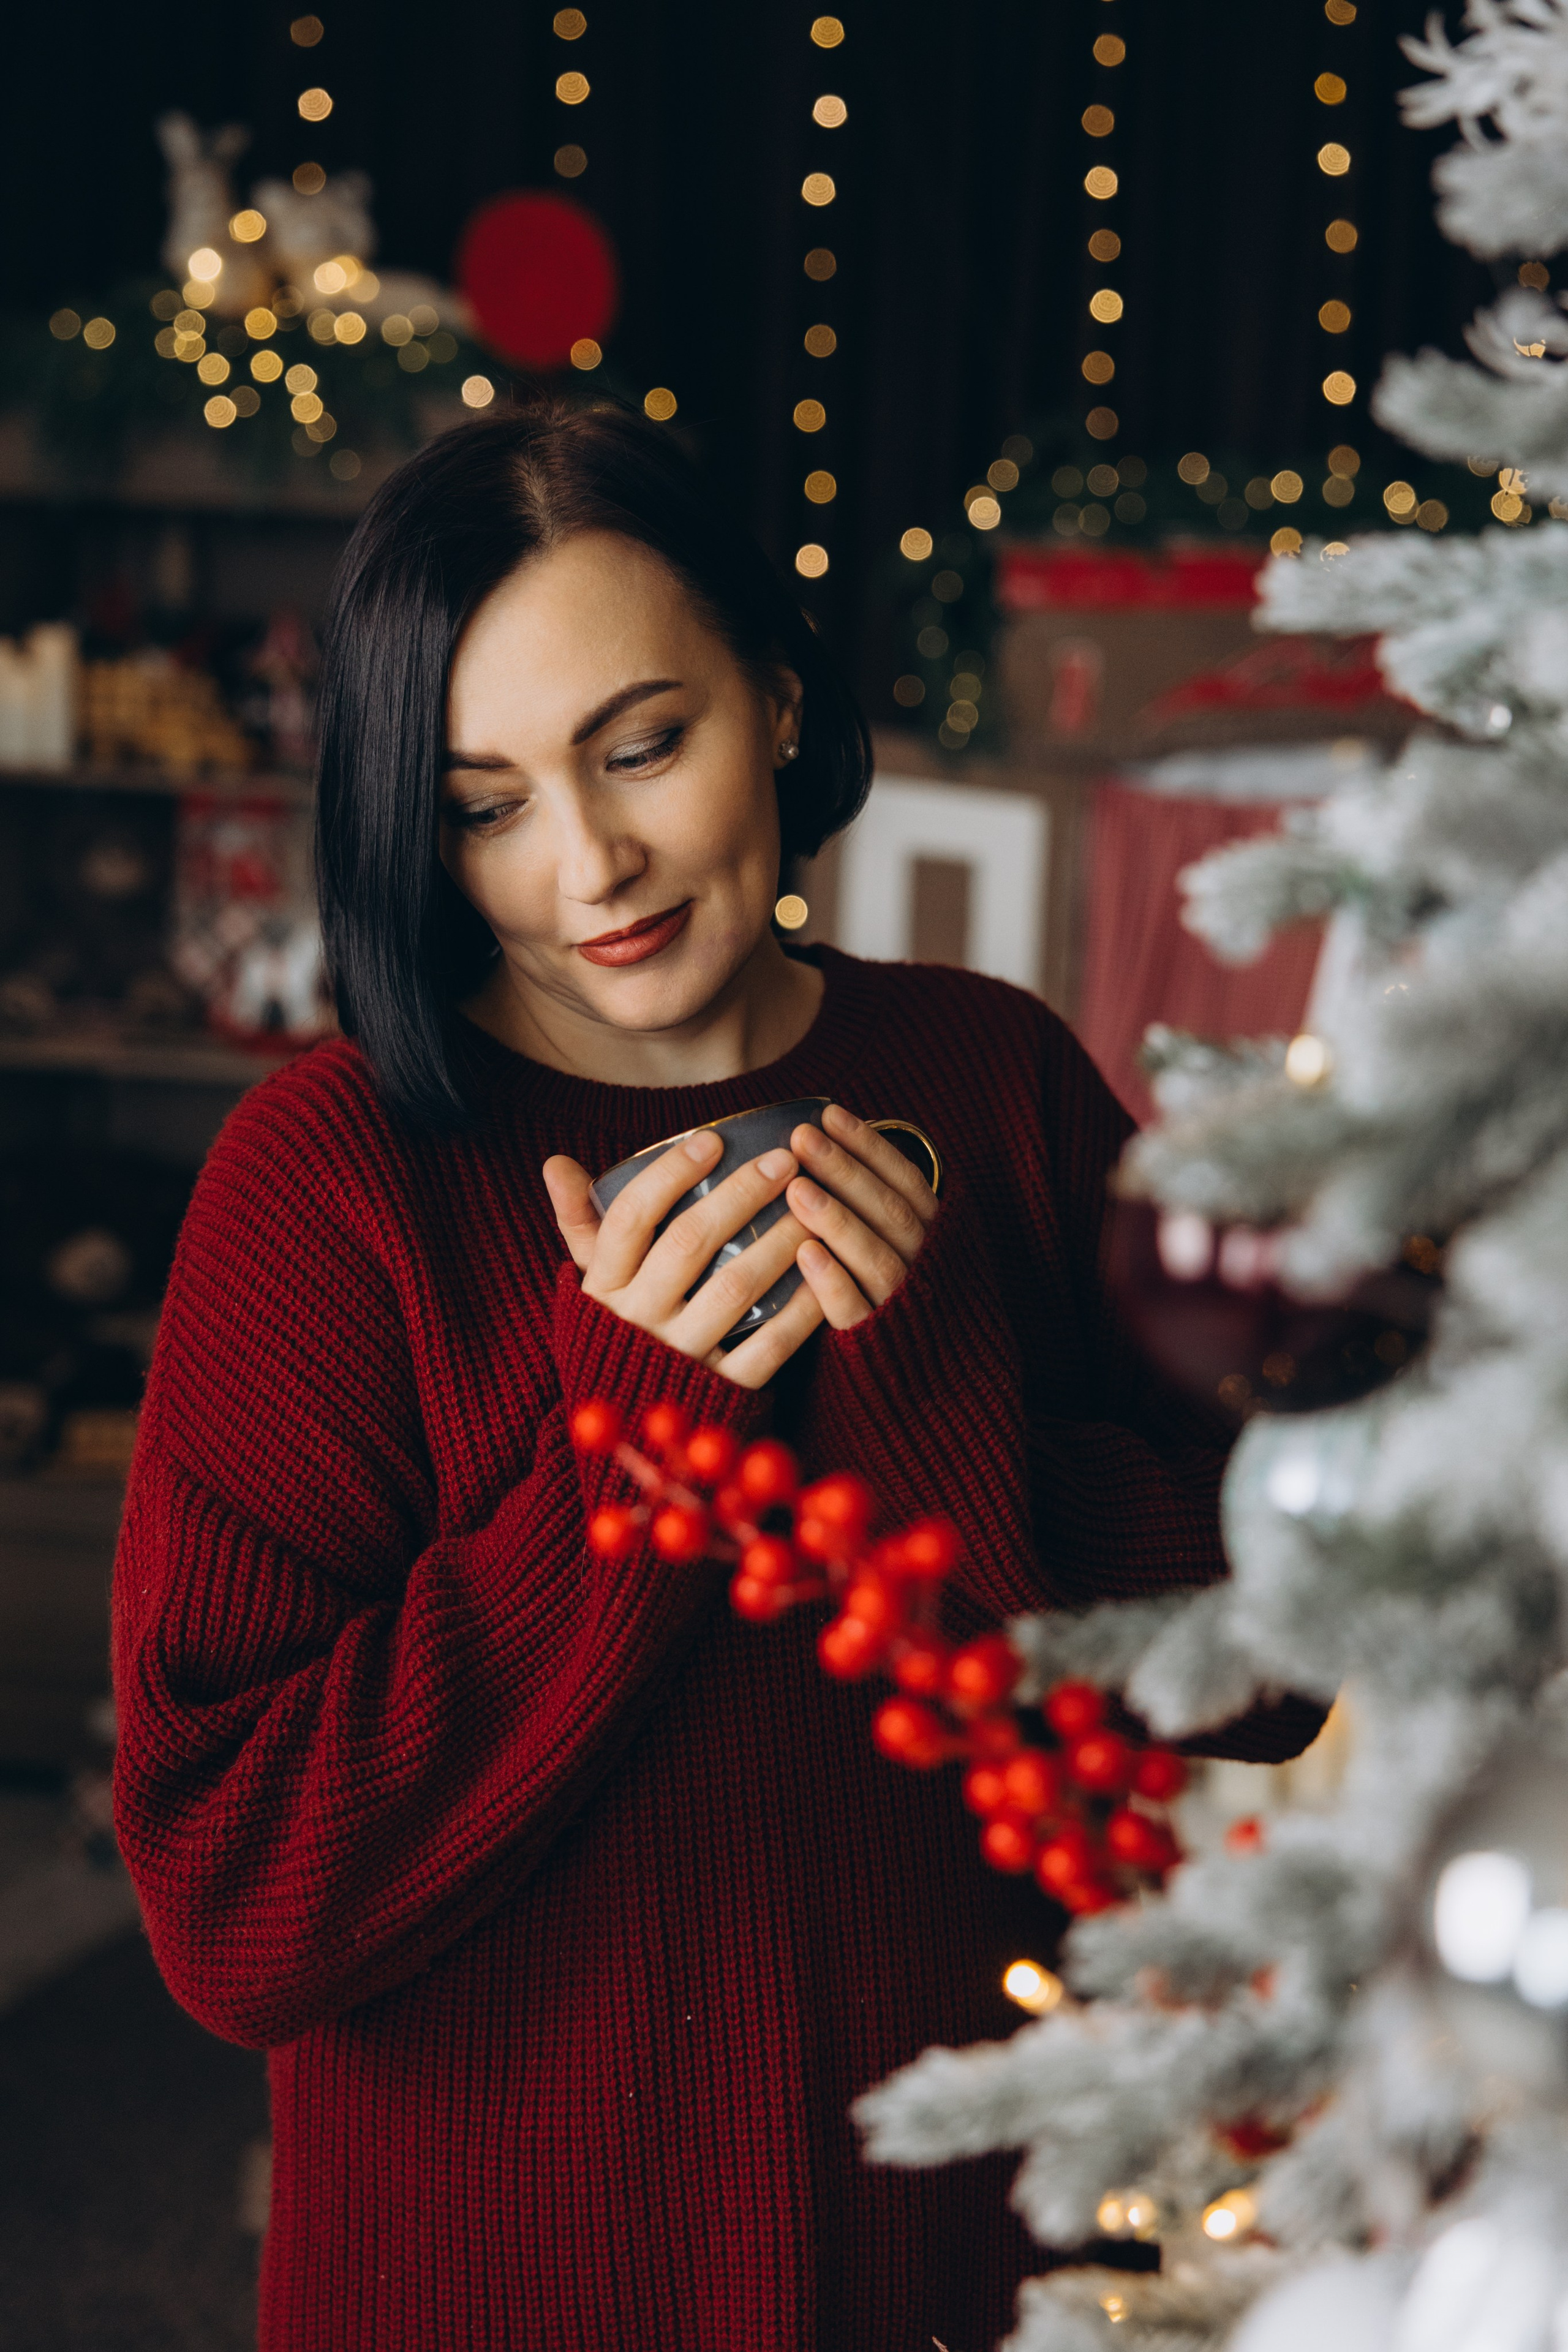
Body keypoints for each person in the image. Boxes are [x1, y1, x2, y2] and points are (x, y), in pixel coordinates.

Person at [111, 401, 1319, 2352]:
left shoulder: (989, 1081)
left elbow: (1293, 1645)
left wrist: (938, 1417)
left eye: (641, 746)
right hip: (484, 2288)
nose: (587, 861)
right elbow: (233, 1907)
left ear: (772, 697)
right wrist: (631, 1472)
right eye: (484, 801)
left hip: (948, 2261)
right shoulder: (331, 1181)